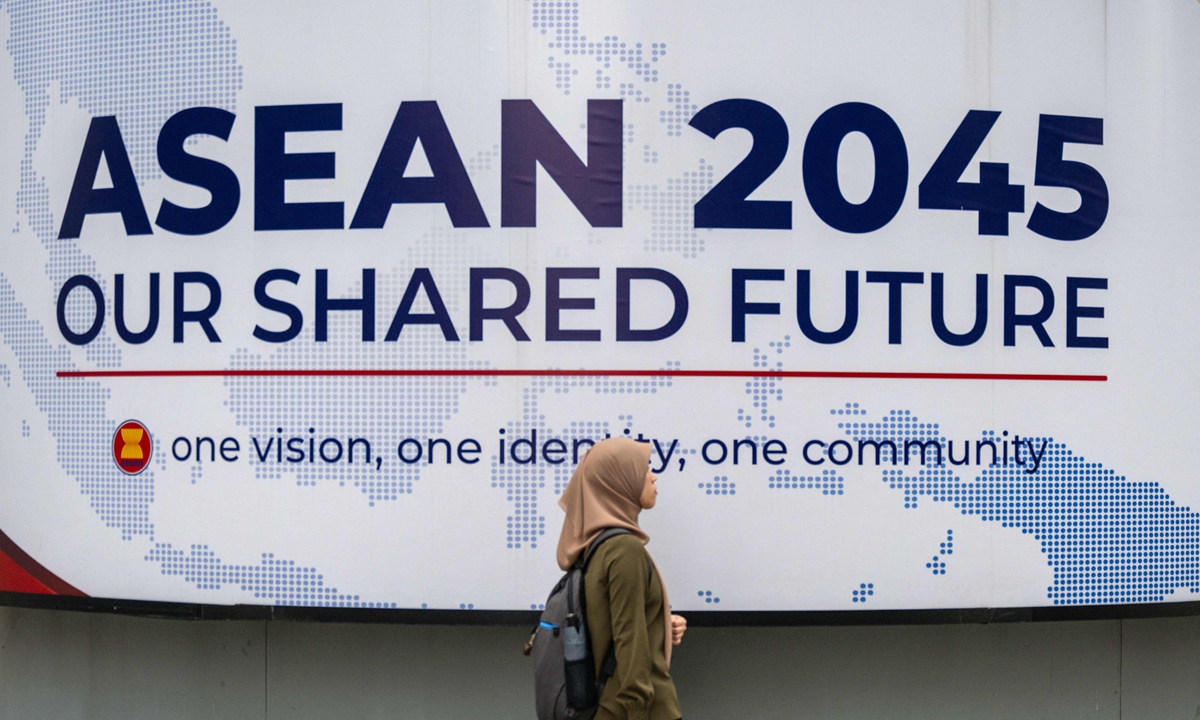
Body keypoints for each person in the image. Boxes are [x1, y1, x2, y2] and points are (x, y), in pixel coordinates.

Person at [556, 437, 686, 720]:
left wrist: (660, 622)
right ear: (619, 480)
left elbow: (610, 624)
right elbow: (629, 642)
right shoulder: (623, 550)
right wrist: (637, 711)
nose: (653, 476)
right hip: (638, 712)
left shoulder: (596, 548)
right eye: (643, 469)